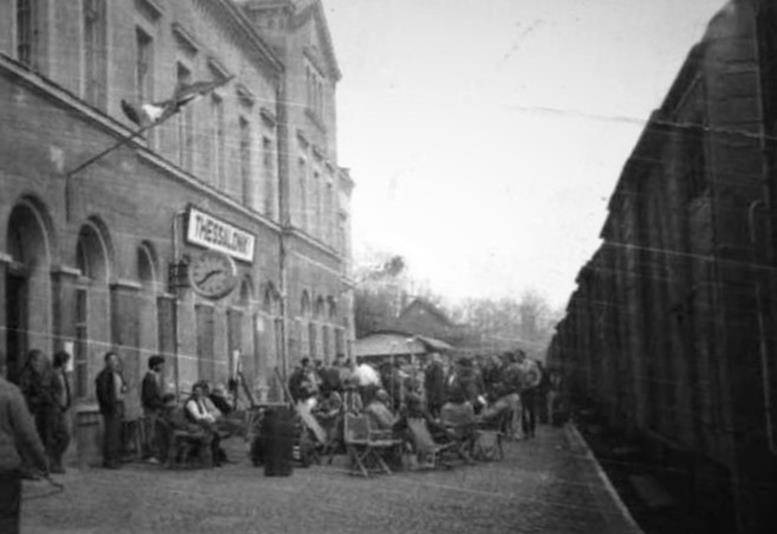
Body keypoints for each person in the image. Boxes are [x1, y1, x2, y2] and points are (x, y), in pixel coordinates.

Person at [0, 373, 50, 534]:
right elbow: (27, 434)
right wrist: (41, 461)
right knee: (6, 517)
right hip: (4, 466)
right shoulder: (9, 392)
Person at [19, 350, 59, 473]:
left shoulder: (50, 373)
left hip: (49, 409)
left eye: (39, 360)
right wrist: (31, 402)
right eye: (34, 361)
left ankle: (49, 464)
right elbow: (23, 392)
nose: (36, 363)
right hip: (33, 410)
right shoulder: (26, 375)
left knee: (50, 437)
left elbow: (57, 389)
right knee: (34, 438)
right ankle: (33, 466)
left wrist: (53, 400)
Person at [95, 352, 127, 468]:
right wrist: (109, 406)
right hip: (111, 407)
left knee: (117, 433)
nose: (115, 363)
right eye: (112, 360)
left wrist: (124, 388)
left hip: (119, 404)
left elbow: (123, 387)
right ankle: (109, 460)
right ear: (107, 362)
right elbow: (103, 393)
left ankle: (115, 457)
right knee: (111, 434)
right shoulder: (104, 375)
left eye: (116, 360)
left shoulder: (118, 374)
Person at [185, 382, 222, 467]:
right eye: (197, 391)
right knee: (213, 435)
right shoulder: (191, 402)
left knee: (215, 436)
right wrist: (209, 418)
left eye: (201, 391)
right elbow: (197, 417)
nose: (199, 393)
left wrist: (210, 418)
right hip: (194, 425)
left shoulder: (200, 401)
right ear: (194, 392)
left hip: (203, 424)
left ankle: (214, 460)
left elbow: (205, 413)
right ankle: (211, 460)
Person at [50, 351, 72, 473]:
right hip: (55, 410)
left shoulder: (63, 375)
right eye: (66, 362)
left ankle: (56, 462)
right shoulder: (52, 375)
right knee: (60, 436)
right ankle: (54, 463)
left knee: (65, 436)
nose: (67, 365)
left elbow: (66, 391)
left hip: (63, 409)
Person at [141, 355, 165, 464]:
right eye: (160, 365)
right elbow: (149, 397)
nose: (162, 367)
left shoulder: (153, 377)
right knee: (150, 432)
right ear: (155, 365)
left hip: (154, 409)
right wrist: (161, 405)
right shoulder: (149, 378)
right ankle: (149, 455)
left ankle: (153, 453)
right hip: (151, 409)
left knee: (153, 431)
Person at [424, 353, 446, 418]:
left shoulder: (436, 367)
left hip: (434, 394)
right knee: (433, 411)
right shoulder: (432, 367)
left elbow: (438, 383)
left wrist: (434, 396)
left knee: (435, 411)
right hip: (433, 393)